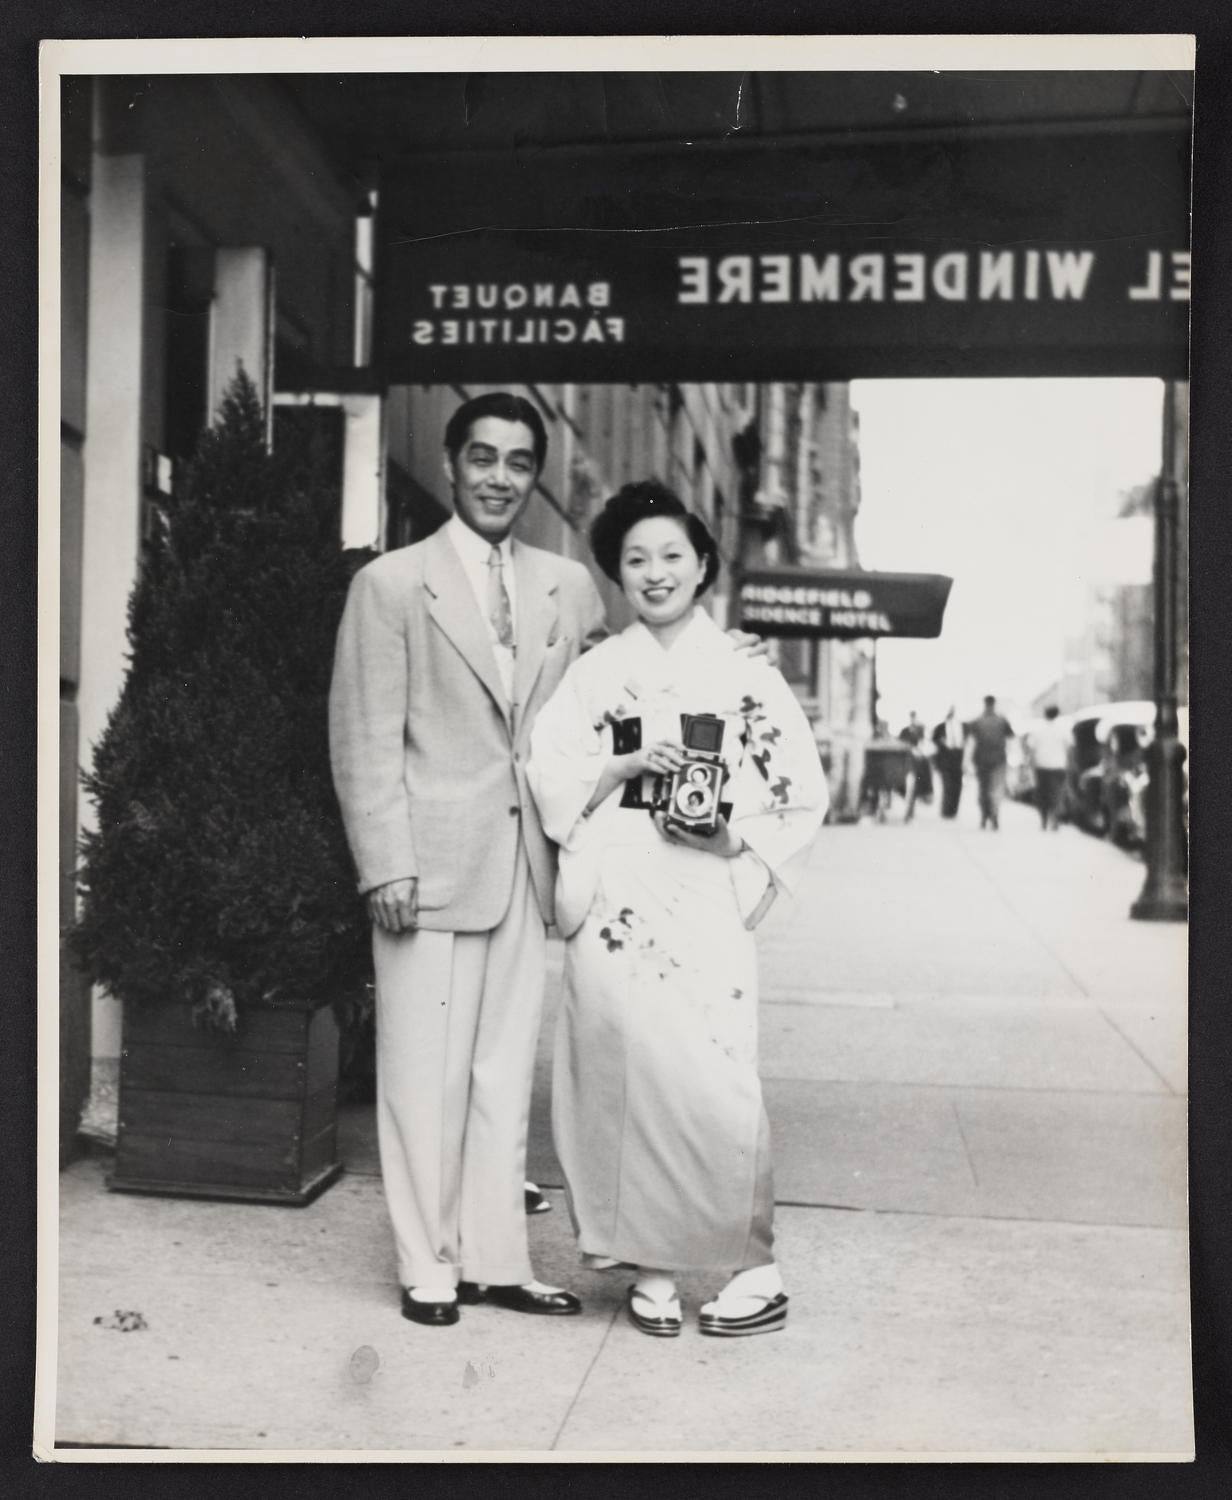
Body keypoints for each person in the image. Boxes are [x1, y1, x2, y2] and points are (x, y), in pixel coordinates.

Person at [329, 392, 611, 1327]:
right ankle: (429, 1266)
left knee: (500, 1077)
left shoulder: (568, 586)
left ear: (536, 476)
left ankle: (496, 1259)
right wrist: (385, 862)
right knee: (422, 1076)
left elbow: (609, 704)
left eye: (518, 462)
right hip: (428, 865)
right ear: (451, 466)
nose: (499, 476)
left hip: (527, 864)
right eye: (482, 457)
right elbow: (364, 736)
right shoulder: (393, 584)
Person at [527, 482, 827, 1339]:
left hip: (700, 889)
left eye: (671, 556)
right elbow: (550, 773)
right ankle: (649, 1265)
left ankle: (753, 1265)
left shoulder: (745, 676)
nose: (654, 573)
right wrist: (615, 772)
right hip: (618, 884)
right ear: (617, 575)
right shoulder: (597, 672)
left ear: (702, 566)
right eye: (635, 559)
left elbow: (798, 791)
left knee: (716, 1076)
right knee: (624, 1074)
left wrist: (733, 838)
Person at [969, 694, 1016, 830]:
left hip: (981, 760)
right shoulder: (1002, 720)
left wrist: (968, 761)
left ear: (984, 704)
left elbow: (971, 742)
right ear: (994, 704)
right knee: (996, 789)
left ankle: (984, 817)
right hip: (999, 760)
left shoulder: (977, 721)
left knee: (983, 790)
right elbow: (1011, 738)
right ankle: (994, 816)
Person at [1027, 705, 1069, 831]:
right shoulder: (1063, 729)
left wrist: (1031, 765)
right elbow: (1069, 747)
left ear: (1045, 714)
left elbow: (1031, 749)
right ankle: (1055, 819)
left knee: (1042, 795)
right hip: (1058, 766)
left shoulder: (1038, 729)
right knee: (1056, 794)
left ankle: (1044, 819)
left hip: (1042, 766)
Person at [932, 706, 966, 818]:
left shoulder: (961, 726)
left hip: (958, 760)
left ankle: (953, 811)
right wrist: (942, 742)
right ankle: (946, 811)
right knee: (947, 786)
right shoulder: (940, 727)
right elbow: (934, 740)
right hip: (945, 761)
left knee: (957, 786)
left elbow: (967, 741)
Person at [897, 710, 932, 820]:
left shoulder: (920, 730)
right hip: (907, 760)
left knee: (917, 783)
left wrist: (918, 751)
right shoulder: (904, 731)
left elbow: (923, 743)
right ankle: (910, 809)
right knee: (910, 786)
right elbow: (901, 743)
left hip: (917, 761)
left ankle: (924, 796)